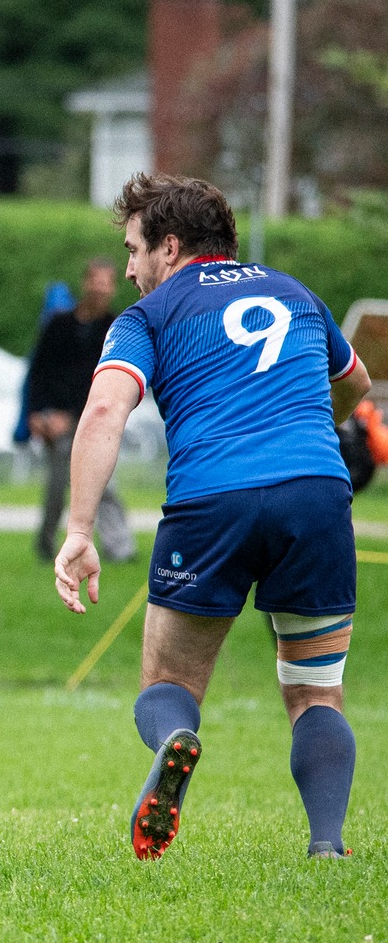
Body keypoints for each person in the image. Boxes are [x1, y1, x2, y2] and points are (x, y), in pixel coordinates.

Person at [55, 173, 373, 861]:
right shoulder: (296, 293)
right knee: (315, 687)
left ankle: (176, 740)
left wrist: (80, 530)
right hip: (316, 493)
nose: (132, 266)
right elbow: (357, 384)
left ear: (170, 247)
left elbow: (106, 409)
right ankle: (326, 843)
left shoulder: (150, 315)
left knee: (169, 685)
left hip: (212, 500)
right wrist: (318, 428)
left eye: (136, 249)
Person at [29, 258, 133, 564]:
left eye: (106, 283)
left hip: (95, 418)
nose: (100, 289)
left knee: (105, 485)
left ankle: (120, 547)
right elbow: (39, 371)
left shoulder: (116, 328)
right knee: (57, 487)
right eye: (95, 281)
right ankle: (46, 544)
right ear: (85, 283)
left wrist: (73, 415)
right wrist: (37, 413)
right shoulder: (59, 325)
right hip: (58, 420)